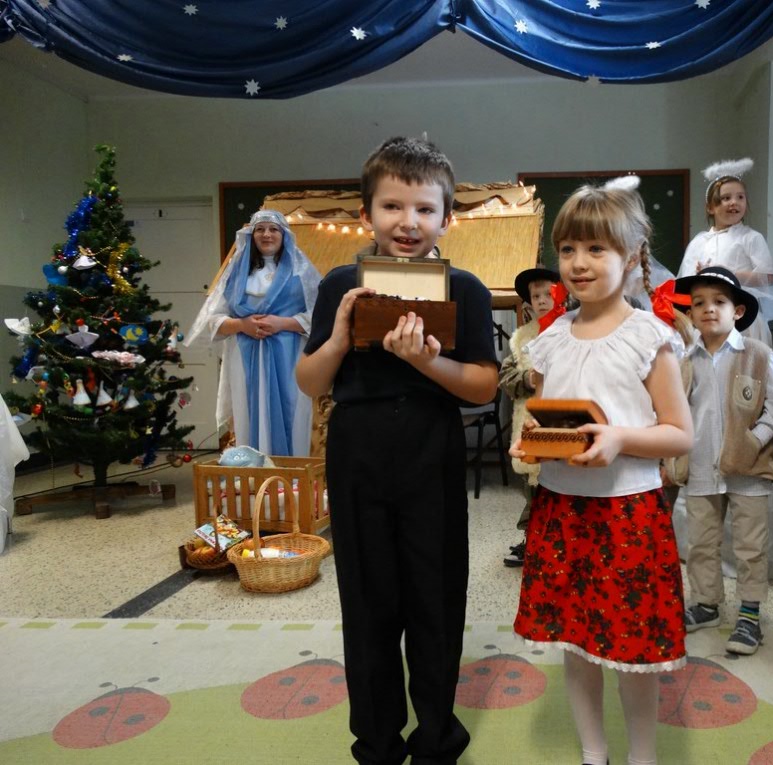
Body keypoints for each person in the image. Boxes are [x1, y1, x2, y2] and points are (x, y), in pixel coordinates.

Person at [295, 136, 498, 765]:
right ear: (366, 214)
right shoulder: (340, 284)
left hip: (432, 446)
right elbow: (310, 381)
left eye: (425, 209)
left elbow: (483, 386)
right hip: (356, 448)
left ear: (447, 218)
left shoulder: (465, 288)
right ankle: (377, 742)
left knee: (436, 595)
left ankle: (436, 738)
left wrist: (427, 362)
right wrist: (339, 335)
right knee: (366, 599)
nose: (408, 223)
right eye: (392, 206)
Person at [510, 176, 693, 765]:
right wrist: (533, 445)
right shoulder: (551, 340)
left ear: (632, 255)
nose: (578, 263)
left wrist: (620, 438)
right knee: (575, 642)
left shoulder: (649, 337)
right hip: (561, 511)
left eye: (596, 249)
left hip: (628, 514)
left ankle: (642, 756)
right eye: (568, 249)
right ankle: (594, 752)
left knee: (634, 651)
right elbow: (547, 418)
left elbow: (679, 433)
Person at [669, 265, 773, 656]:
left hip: (749, 471)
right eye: (699, 303)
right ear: (690, 313)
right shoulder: (684, 361)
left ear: (737, 311)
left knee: (750, 545)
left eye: (719, 302)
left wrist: (753, 440)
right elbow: (674, 410)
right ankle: (706, 604)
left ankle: (749, 615)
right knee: (700, 542)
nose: (708, 309)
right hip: (700, 468)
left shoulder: (757, 356)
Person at [185, 209, 320, 456]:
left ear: (284, 235)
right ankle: (253, 472)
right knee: (247, 414)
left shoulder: (302, 273)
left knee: (293, 413)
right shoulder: (236, 275)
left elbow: (319, 317)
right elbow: (214, 321)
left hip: (289, 357)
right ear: (251, 235)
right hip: (244, 358)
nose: (267, 234)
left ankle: (290, 474)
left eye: (273, 229)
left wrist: (282, 323)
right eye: (260, 229)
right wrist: (242, 325)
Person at [678, 158, 773, 346]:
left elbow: (768, 277)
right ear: (711, 207)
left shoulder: (751, 237)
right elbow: (685, 281)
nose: (734, 202)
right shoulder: (699, 242)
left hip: (742, 317)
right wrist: (700, 276)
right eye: (726, 198)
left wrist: (729, 274)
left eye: (740, 197)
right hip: (708, 318)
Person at [498, 266, 562, 567]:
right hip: (529, 422)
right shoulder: (521, 339)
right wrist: (528, 378)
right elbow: (505, 377)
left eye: (548, 294)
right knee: (533, 486)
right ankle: (532, 540)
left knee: (561, 489)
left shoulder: (574, 330)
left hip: (565, 422)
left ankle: (559, 543)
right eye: (536, 296)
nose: (542, 300)